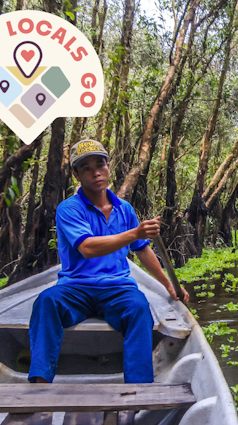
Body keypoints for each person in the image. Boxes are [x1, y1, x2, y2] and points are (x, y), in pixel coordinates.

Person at [27, 139, 189, 384]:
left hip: (117, 288)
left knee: (139, 308)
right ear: (76, 174)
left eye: (100, 165)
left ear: (108, 166)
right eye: (86, 168)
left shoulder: (125, 209)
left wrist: (168, 284)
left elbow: (142, 249)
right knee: (46, 302)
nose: (96, 172)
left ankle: (138, 388)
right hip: (75, 288)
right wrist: (135, 233)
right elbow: (88, 247)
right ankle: (39, 384)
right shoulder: (68, 209)